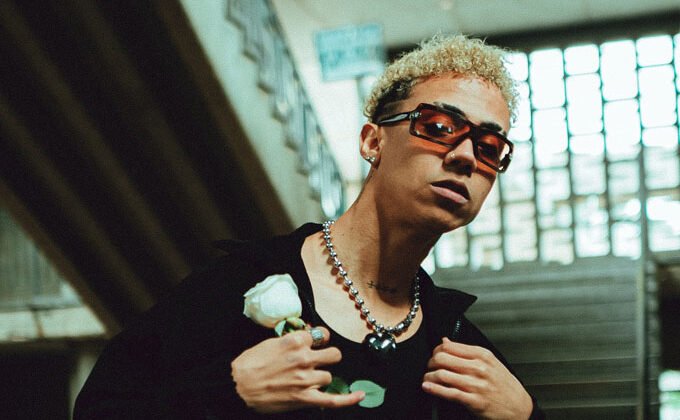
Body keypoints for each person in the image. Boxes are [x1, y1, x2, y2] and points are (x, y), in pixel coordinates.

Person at [74, 34, 544, 419]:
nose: (465, 157)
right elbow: (100, 410)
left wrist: (525, 416)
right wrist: (229, 391)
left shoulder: (455, 342)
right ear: (372, 142)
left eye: (489, 147)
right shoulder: (241, 284)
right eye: (439, 127)